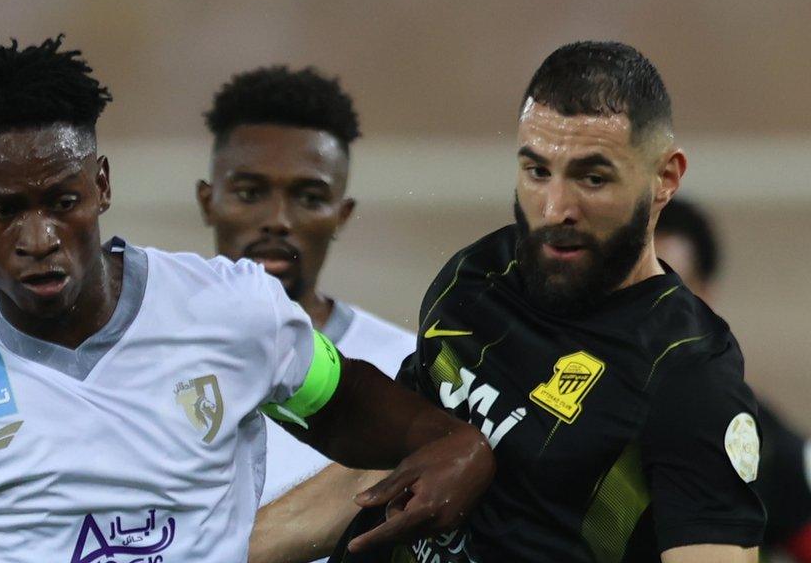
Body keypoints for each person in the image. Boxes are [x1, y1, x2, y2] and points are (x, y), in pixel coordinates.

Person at [0, 35, 495, 563]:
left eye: (62, 201)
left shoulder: (236, 313)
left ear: (101, 184)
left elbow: (353, 409)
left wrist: (458, 446)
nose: (37, 237)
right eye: (3, 211)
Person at [257, 41, 766, 563]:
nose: (554, 208)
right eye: (537, 171)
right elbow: (381, 467)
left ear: (665, 178)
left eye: (592, 178)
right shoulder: (476, 277)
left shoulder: (688, 374)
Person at [196, 66, 417, 562]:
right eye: (250, 193)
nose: (277, 219)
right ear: (208, 202)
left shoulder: (406, 368)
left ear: (342, 214)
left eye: (309, 197)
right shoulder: (141, 354)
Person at [656, 199, 811, 562]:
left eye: (668, 291)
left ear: (705, 299)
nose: (646, 311)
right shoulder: (547, 411)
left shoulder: (764, 444)